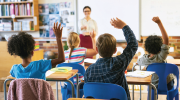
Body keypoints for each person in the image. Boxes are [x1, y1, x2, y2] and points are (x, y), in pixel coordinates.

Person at [84, 18, 138, 100]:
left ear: (97, 50)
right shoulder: (118, 63)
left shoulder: (89, 70)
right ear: (115, 50)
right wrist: (124, 26)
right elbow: (133, 44)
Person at [137, 17, 174, 90]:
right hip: (167, 84)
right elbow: (166, 39)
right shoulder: (161, 57)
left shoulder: (144, 59)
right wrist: (159, 23)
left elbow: (138, 63)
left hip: (153, 86)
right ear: (160, 47)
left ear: (146, 48)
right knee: (170, 78)